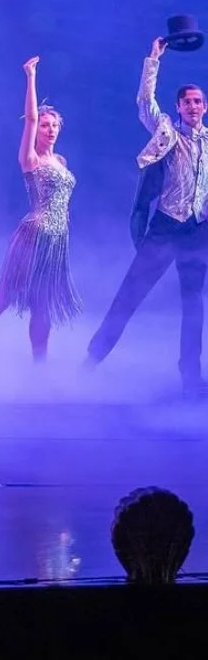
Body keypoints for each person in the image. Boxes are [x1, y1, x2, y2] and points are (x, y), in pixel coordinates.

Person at [85, 38, 208, 397]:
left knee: (194, 306)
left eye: (198, 101)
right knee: (130, 295)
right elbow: (144, 103)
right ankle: (93, 358)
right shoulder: (167, 132)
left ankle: (190, 378)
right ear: (179, 107)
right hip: (166, 226)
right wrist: (153, 59)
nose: (194, 106)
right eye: (187, 101)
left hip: (197, 231)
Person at [0, 57, 79, 381]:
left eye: (54, 126)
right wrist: (31, 77)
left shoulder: (61, 160)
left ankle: (40, 372)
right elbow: (31, 119)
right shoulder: (31, 159)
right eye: (45, 125)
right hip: (33, 237)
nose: (49, 129)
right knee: (2, 300)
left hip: (56, 242)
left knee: (43, 307)